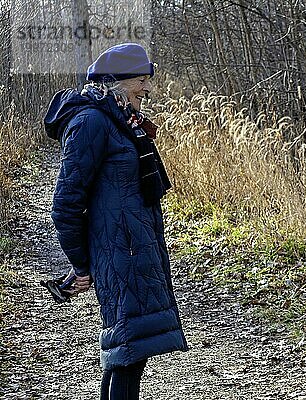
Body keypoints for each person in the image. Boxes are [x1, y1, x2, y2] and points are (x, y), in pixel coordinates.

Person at [44, 43, 188, 399]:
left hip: (134, 253)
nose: (148, 88)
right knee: (128, 353)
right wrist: (81, 265)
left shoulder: (120, 121)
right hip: (120, 255)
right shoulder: (92, 123)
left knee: (127, 354)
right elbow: (65, 203)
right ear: (118, 82)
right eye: (141, 80)